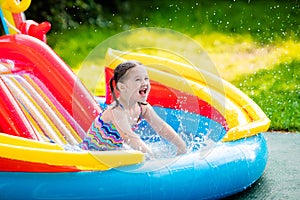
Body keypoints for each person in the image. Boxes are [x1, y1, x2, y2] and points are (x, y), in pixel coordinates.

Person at [79, 60, 187, 157]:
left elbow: (162, 128)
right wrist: (152, 156)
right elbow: (129, 137)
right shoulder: (116, 110)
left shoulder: (143, 107)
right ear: (122, 87)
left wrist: (181, 145)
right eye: (138, 80)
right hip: (91, 154)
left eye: (146, 78)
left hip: (111, 151)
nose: (144, 83)